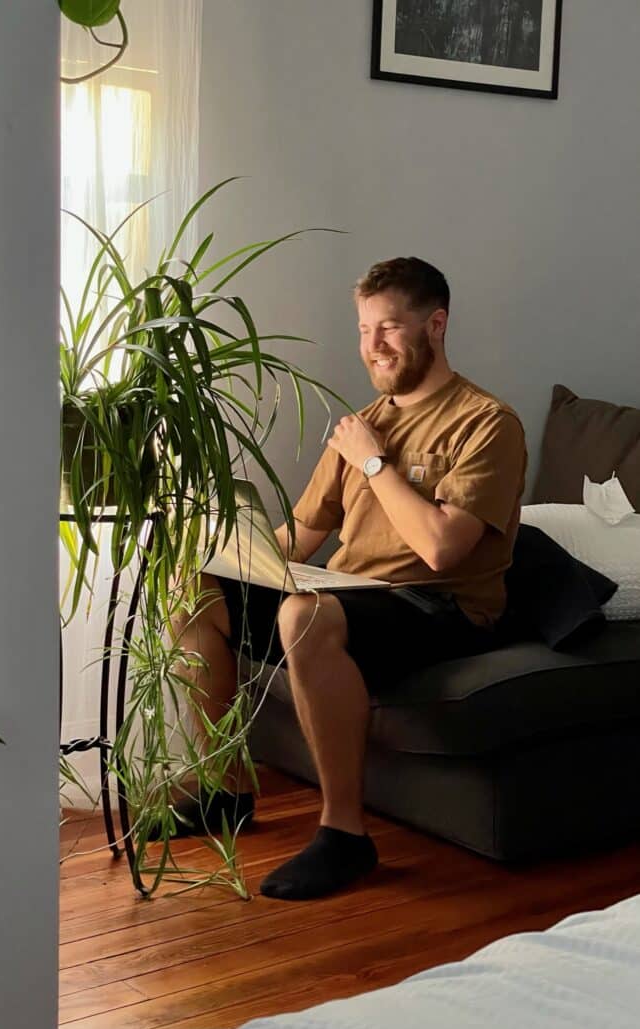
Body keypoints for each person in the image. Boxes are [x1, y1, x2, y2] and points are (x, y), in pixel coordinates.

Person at [170, 257, 527, 901]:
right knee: (196, 591)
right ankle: (225, 791)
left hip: (438, 608)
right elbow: (297, 541)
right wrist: (218, 553)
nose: (374, 347)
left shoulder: (486, 423)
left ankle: (345, 836)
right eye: (364, 330)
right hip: (349, 600)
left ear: (436, 324)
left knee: (304, 614)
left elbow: (444, 549)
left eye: (389, 329)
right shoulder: (362, 424)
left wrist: (371, 460)